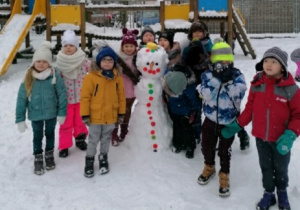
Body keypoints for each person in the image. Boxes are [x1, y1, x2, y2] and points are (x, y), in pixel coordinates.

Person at [221, 47, 300, 209]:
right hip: (261, 137)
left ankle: (282, 192)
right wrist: (237, 125)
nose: (268, 65)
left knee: (281, 168)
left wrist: (290, 135)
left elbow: (298, 116)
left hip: (281, 138)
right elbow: (250, 109)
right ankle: (269, 193)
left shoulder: (291, 89)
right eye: (266, 61)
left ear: (283, 66)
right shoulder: (257, 84)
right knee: (266, 167)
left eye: (273, 62)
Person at [196, 40, 247, 197]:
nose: (222, 64)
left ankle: (224, 174)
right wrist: (216, 81)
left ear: (230, 60)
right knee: (206, 146)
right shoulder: (207, 75)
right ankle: (209, 166)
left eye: (225, 61)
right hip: (210, 119)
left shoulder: (237, 75)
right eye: (218, 61)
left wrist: (228, 82)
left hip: (228, 122)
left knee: (225, 151)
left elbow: (239, 95)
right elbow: (203, 94)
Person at [15, 41, 67, 175]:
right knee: (37, 136)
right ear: (34, 62)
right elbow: (21, 99)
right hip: (35, 114)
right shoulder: (28, 78)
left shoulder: (54, 76)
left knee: (50, 134)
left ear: (49, 63)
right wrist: (20, 119)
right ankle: (38, 157)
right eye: (38, 61)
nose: (41, 64)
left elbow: (62, 94)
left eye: (45, 61)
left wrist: (62, 113)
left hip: (51, 113)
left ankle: (49, 155)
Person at [81, 46, 126, 177]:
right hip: (95, 116)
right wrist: (85, 114)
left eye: (110, 60)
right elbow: (85, 97)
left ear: (114, 63)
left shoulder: (117, 78)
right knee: (93, 139)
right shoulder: (91, 77)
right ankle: (89, 160)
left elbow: (121, 96)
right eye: (104, 60)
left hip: (111, 115)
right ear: (99, 61)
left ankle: (103, 158)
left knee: (106, 138)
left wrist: (121, 113)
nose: (107, 62)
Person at [56, 30, 91, 157]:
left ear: (76, 46)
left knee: (80, 121)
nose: (68, 48)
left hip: (81, 98)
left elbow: (94, 69)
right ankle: (64, 146)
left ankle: (80, 139)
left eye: (71, 45)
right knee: (66, 124)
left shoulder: (83, 61)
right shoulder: (60, 63)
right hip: (66, 100)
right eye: (65, 46)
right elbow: (56, 81)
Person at [163, 64, 200, 158]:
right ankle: (178, 144)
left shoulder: (189, 87)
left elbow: (194, 100)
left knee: (187, 130)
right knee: (177, 128)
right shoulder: (170, 79)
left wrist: (195, 111)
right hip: (174, 110)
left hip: (185, 112)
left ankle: (190, 147)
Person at [111, 28, 139, 146]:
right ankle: (113, 134)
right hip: (119, 92)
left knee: (127, 112)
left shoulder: (138, 58)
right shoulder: (117, 59)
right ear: (122, 46)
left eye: (131, 46)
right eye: (126, 46)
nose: (129, 48)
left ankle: (124, 131)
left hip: (132, 92)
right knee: (117, 113)